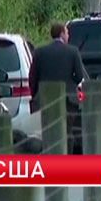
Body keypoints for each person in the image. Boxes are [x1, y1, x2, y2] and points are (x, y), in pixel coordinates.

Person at [29, 22, 88, 154]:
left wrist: (35, 96)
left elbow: (33, 77)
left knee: (46, 132)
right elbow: (79, 76)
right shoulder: (73, 51)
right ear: (62, 33)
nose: (68, 35)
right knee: (67, 132)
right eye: (67, 32)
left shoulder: (39, 52)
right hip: (68, 100)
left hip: (44, 100)